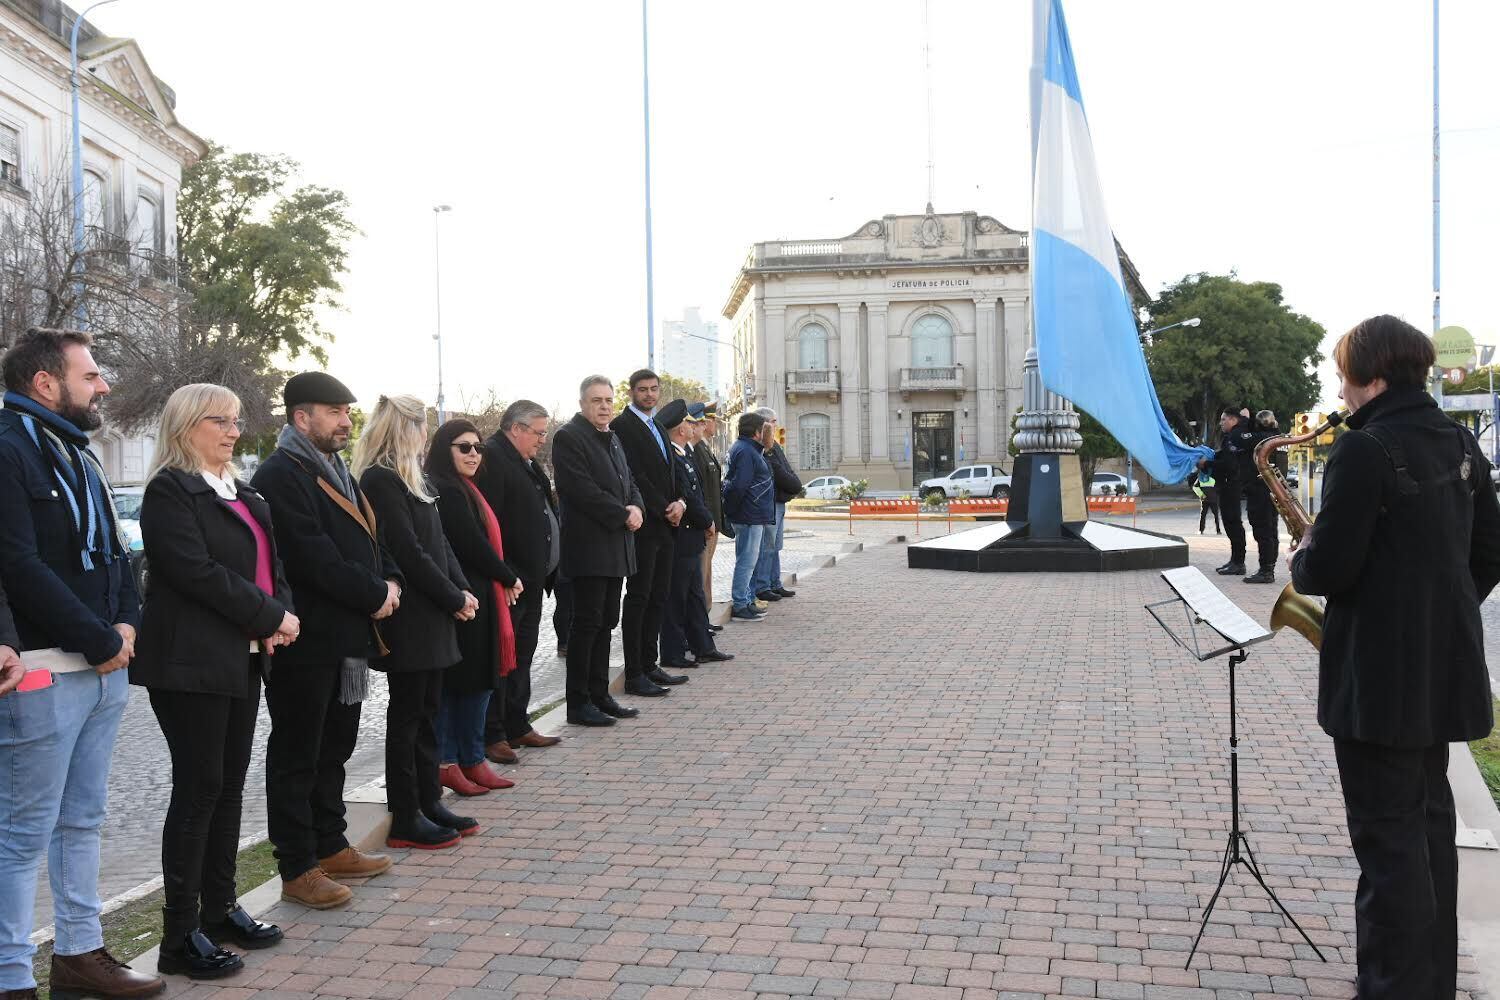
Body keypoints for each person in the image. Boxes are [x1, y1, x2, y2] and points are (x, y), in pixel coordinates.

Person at [1289, 314, 1500, 1000]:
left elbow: (1330, 570)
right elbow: (1490, 552)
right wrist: (1441, 608)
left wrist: (1303, 556)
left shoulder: (1366, 448)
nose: (1340, 389)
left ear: (1372, 374)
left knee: (1387, 843)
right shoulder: (1459, 442)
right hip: (1443, 674)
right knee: (1429, 827)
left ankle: (1393, 985)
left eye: (1344, 373)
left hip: (1378, 683)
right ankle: (1430, 979)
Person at [0, 328, 165, 1000]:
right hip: (46, 669)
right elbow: (18, 563)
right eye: (91, 376)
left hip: (105, 667)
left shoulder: (78, 454)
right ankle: (11, 976)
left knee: (83, 819)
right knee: (22, 830)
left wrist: (126, 625)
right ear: (45, 381)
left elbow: (123, 556)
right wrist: (100, 638)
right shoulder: (10, 448)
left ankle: (79, 953)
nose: (102, 387)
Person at [132, 385, 298, 981]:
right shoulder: (171, 491)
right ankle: (178, 937)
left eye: (236, 420)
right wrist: (269, 614)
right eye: (218, 421)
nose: (232, 430)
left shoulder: (245, 491)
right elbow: (194, 572)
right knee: (200, 789)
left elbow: (271, 565)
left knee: (228, 788)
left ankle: (221, 910)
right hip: (189, 662)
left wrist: (278, 612)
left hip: (242, 657)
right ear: (185, 425)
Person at [251, 372, 401, 909]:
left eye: (346, 412)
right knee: (298, 751)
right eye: (334, 412)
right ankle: (296, 864)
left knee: (336, 745)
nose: (345, 421)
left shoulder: (338, 469)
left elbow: (370, 537)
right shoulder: (280, 474)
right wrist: (372, 593)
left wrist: (389, 582)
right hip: (307, 640)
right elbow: (311, 556)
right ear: (301, 418)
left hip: (348, 639)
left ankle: (331, 842)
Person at [354, 395, 482, 849]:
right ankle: (406, 813)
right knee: (408, 717)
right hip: (412, 616)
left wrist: (463, 589)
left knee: (429, 713)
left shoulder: (415, 475)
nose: (424, 432)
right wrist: (451, 597)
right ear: (400, 428)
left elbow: (439, 542)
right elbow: (407, 551)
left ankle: (430, 800)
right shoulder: (381, 479)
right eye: (418, 424)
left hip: (435, 613)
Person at [425, 419, 516, 793]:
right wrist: (508, 575)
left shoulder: (465, 487)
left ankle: (471, 758)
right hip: (464, 596)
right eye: (464, 447)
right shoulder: (444, 488)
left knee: (479, 681)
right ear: (444, 450)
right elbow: (468, 543)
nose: (474, 453)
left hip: (480, 594)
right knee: (464, 683)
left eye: (477, 447)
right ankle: (454, 760)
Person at [473, 401, 564, 763]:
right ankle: (493, 732)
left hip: (531, 578)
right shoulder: (493, 458)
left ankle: (517, 723)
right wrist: (505, 572)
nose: (543, 439)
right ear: (516, 428)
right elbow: (487, 523)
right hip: (510, 582)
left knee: (522, 657)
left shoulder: (522, 459)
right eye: (539, 432)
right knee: (503, 659)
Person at [552, 375, 645, 726]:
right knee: (586, 625)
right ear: (582, 404)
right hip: (589, 548)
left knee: (607, 622)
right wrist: (622, 514)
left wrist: (636, 507)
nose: (604, 406)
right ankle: (578, 703)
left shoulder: (613, 437)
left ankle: (600, 694)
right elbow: (580, 490)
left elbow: (629, 482)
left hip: (617, 546)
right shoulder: (569, 438)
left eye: (608, 400)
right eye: (596, 400)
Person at [610, 369, 688, 696]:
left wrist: (681, 502)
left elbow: (674, 470)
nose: (650, 395)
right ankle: (635, 672)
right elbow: (635, 476)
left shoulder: (657, 424)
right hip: (644, 526)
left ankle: (650, 663)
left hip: (668, 525)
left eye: (654, 389)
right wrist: (662, 507)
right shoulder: (621, 427)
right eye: (643, 390)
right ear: (631, 392)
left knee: (659, 596)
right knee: (639, 598)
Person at [658, 401, 734, 669]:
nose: (695, 427)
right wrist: (707, 521)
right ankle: (673, 653)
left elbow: (696, 492)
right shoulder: (674, 457)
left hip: (692, 535)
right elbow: (688, 495)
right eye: (690, 423)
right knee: (677, 598)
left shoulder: (684, 455)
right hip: (684, 536)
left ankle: (703, 646)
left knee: (694, 596)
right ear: (681, 428)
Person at [722, 410, 774, 623]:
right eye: (764, 428)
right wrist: (734, 512)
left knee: (749, 561)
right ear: (756, 432)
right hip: (749, 515)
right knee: (746, 561)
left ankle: (747, 599)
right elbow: (739, 485)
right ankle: (741, 604)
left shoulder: (748, 449)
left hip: (751, 514)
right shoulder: (746, 451)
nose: (768, 432)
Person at [752, 407, 802, 605]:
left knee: (776, 546)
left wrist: (793, 484)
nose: (776, 425)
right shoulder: (763, 448)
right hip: (770, 502)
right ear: (764, 425)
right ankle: (763, 586)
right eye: (773, 422)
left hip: (779, 501)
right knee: (768, 546)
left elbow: (786, 469)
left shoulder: (774, 446)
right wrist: (793, 484)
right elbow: (779, 474)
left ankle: (774, 582)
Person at [1200, 405, 1256, 578]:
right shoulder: (1232, 436)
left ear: (1233, 419)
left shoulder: (1234, 436)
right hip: (1229, 485)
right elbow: (1226, 458)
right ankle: (1234, 560)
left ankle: (1238, 563)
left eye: (1224, 419)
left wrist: (1206, 464)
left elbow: (1230, 465)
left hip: (1232, 485)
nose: (1221, 423)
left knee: (1233, 523)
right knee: (1230, 524)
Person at [692, 402, 727, 618]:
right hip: (706, 524)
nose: (714, 424)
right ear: (703, 423)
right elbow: (701, 491)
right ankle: (700, 620)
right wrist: (707, 521)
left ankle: (705, 616)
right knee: (700, 573)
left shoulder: (704, 447)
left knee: (706, 573)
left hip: (713, 522)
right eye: (712, 420)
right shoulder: (697, 450)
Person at [1241, 409, 1282, 584]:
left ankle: (1266, 571)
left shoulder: (1262, 439)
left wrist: (1245, 420)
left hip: (1261, 490)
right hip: (1275, 490)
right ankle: (1269, 567)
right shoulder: (1279, 437)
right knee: (1271, 531)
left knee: (1263, 531)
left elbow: (1242, 438)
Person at [1190, 466, 1220, 535]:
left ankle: (1201, 530)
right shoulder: (1213, 479)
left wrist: (1201, 495)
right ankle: (1218, 530)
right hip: (1213, 500)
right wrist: (1216, 496)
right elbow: (1218, 488)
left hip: (1205, 500)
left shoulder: (1200, 479)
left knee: (1203, 515)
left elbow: (1195, 487)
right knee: (1216, 515)